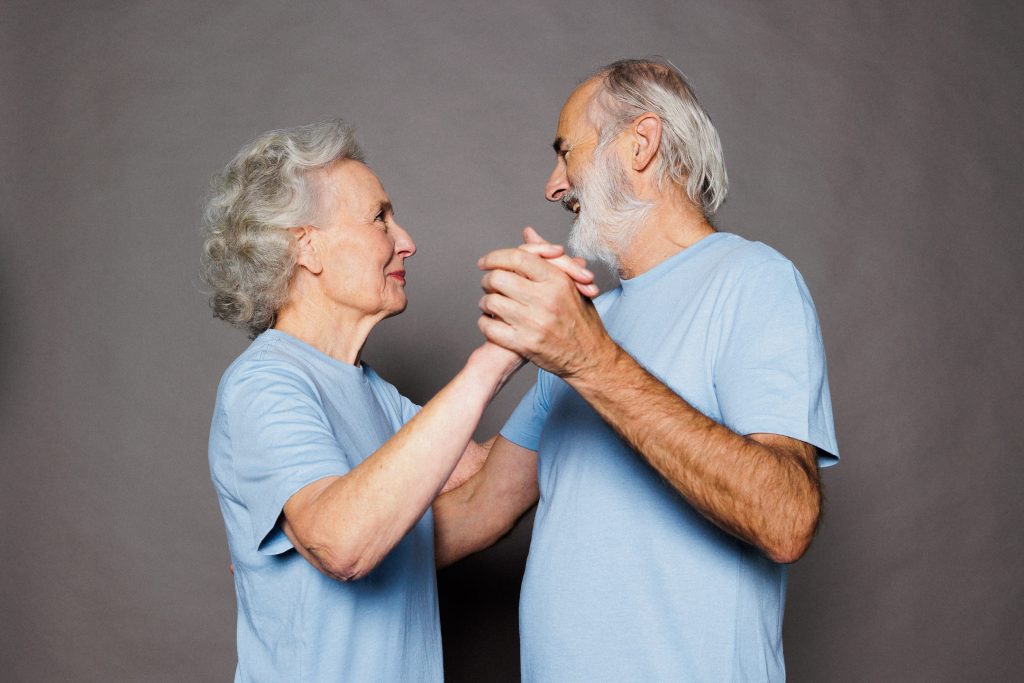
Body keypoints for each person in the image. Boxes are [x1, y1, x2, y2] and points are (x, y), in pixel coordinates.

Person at [440, 58, 840, 681]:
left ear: (642, 143)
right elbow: (480, 502)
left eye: (565, 150)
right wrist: (324, 541)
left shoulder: (754, 281)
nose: (553, 185)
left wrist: (588, 358)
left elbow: (786, 520)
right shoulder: (591, 323)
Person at [200, 119, 594, 681]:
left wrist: (571, 359)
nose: (405, 240)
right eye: (379, 218)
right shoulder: (264, 385)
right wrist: (496, 358)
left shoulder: (371, 393)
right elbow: (342, 544)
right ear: (306, 246)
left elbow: (487, 496)